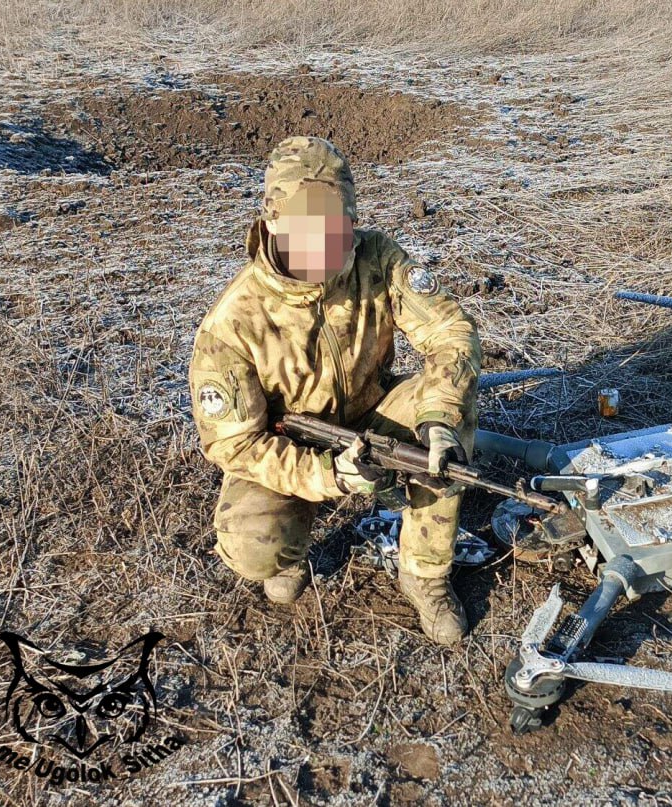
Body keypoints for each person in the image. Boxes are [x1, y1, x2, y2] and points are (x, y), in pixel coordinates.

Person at [187, 135, 481, 645]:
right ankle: (291, 544)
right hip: (292, 444)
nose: (325, 244)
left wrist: (437, 419)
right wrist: (327, 476)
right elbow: (234, 443)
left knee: (450, 405)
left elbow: (450, 333)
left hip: (373, 414)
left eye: (336, 228)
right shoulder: (232, 323)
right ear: (272, 220)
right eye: (308, 229)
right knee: (256, 544)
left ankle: (424, 573)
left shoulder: (379, 260)